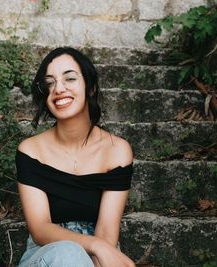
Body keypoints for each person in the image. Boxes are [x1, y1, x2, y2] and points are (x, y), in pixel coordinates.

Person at [16, 47, 135, 267]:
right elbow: (40, 229)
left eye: (70, 78)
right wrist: (96, 246)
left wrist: (99, 250)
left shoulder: (117, 150)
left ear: (91, 87)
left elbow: (107, 231)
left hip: (102, 249)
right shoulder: (31, 151)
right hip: (46, 253)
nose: (59, 88)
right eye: (49, 82)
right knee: (68, 253)